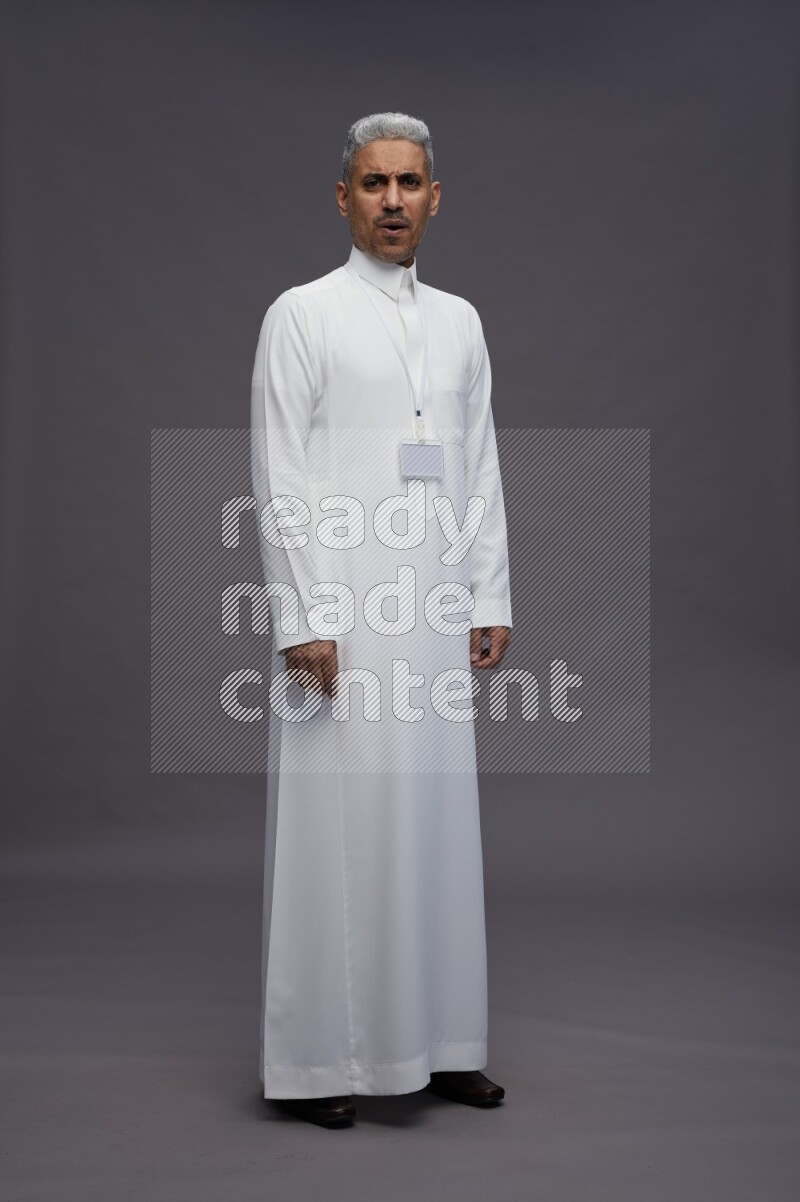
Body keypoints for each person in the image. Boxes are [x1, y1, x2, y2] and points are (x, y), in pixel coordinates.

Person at [250, 112, 512, 1127]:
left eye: (409, 183)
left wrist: (487, 592)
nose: (392, 200)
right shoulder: (302, 314)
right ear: (343, 198)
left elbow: (477, 462)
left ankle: (442, 1044)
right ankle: (320, 1060)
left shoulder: (458, 322)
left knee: (436, 823)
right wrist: (302, 614)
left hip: (433, 603)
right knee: (336, 829)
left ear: (433, 198)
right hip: (342, 615)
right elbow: (278, 474)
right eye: (373, 184)